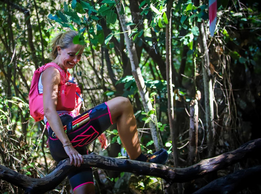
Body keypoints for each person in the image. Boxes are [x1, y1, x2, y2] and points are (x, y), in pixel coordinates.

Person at [37, 30, 168, 194]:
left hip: (67, 139)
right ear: (59, 49)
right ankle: (140, 162)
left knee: (85, 191)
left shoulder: (64, 74)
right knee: (123, 103)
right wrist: (67, 145)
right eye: (71, 54)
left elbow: (70, 111)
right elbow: (49, 111)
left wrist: (96, 132)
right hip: (64, 137)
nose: (76, 60)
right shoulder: (52, 72)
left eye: (79, 55)